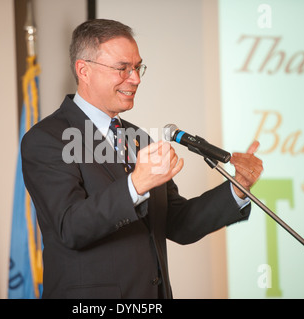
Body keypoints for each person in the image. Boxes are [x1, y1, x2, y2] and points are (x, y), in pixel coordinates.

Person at [21, 19, 263, 299]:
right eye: (122, 68)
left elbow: (178, 224)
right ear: (83, 70)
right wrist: (134, 186)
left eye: (137, 68)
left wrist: (237, 189)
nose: (135, 78)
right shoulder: (47, 138)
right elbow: (70, 227)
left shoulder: (138, 138)